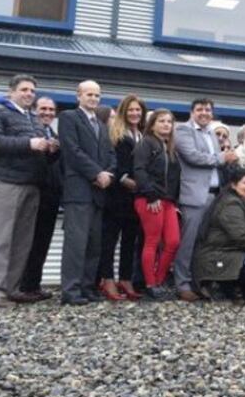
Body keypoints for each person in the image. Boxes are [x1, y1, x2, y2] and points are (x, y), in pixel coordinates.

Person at [0, 74, 57, 308]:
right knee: (1, 239)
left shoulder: (32, 118)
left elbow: (37, 146)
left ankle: (12, 289)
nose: (29, 94)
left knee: (22, 241)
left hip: (31, 183)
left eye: (32, 90)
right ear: (11, 91)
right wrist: (29, 144)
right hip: (5, 182)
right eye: (24, 89)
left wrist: (49, 147)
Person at [56, 80, 117, 305]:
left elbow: (111, 154)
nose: (93, 99)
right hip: (79, 191)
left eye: (97, 95)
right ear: (78, 96)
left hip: (99, 193)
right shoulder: (68, 118)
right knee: (76, 244)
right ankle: (70, 291)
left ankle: (87, 287)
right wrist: (96, 174)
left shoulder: (101, 126)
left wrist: (108, 174)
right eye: (89, 94)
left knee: (93, 245)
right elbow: (73, 151)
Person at [175, 98, 240, 302]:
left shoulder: (212, 133)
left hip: (213, 195)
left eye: (208, 110)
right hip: (194, 195)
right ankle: (182, 283)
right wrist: (222, 158)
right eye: (200, 109)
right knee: (188, 242)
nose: (204, 113)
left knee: (205, 243)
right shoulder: (184, 131)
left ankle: (199, 282)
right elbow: (193, 156)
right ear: (192, 111)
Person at [193, 168, 245, 302]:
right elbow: (241, 236)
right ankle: (229, 288)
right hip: (216, 255)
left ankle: (242, 290)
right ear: (233, 185)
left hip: (228, 250)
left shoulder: (243, 203)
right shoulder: (231, 204)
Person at [98, 94, 147, 302]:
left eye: (138, 110)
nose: (135, 113)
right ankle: (107, 279)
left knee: (130, 239)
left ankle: (125, 278)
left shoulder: (142, 135)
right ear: (123, 112)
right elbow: (113, 162)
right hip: (117, 195)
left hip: (136, 196)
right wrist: (124, 178)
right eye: (131, 110)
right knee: (110, 240)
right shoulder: (115, 133)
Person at [133, 108, 182, 301]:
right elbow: (139, 170)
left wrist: (174, 200)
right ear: (152, 124)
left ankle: (159, 279)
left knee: (173, 241)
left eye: (169, 122)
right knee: (152, 241)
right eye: (161, 121)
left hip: (168, 201)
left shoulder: (169, 147)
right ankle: (151, 284)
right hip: (150, 199)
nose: (166, 125)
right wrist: (150, 195)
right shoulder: (146, 143)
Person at [18, 96, 63, 302]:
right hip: (35, 191)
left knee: (42, 241)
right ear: (35, 110)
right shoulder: (31, 131)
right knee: (29, 240)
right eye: (43, 108)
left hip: (51, 195)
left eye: (51, 109)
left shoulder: (52, 132)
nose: (47, 112)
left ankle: (33, 285)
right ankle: (22, 285)